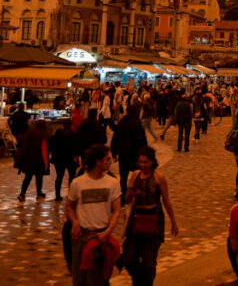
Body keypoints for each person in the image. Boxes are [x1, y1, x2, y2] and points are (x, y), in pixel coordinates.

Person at [122, 147, 179, 286]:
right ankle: (138, 280)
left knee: (149, 261)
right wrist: (132, 193)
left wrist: (174, 222)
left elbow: (166, 201)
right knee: (128, 257)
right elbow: (126, 199)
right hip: (136, 220)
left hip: (154, 221)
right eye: (140, 162)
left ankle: (146, 283)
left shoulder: (159, 177)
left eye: (145, 162)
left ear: (152, 161)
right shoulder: (134, 175)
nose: (142, 165)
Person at [67, 144, 122, 286]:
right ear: (98, 161)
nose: (111, 162)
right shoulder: (77, 183)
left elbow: (117, 211)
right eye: (108, 159)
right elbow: (70, 206)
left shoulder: (113, 183)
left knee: (99, 279)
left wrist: (108, 231)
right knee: (79, 280)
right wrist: (74, 222)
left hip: (101, 236)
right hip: (81, 236)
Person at [111, 103, 148, 197]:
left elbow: (115, 138)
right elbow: (142, 141)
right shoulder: (137, 124)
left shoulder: (121, 123)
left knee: (123, 177)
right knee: (138, 176)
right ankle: (137, 195)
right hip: (135, 155)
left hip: (123, 155)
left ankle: (123, 196)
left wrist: (114, 152)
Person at [17, 119, 50, 202]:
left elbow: (24, 147)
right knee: (39, 177)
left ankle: (22, 193)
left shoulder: (29, 133)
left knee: (27, 178)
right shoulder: (43, 136)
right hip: (39, 161)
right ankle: (39, 193)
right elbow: (44, 150)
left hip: (29, 160)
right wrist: (46, 163)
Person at [50, 119, 78, 202]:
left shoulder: (58, 133)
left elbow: (53, 144)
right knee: (72, 176)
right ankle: (71, 194)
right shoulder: (73, 134)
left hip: (59, 158)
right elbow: (75, 147)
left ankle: (57, 195)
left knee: (59, 177)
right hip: (70, 158)